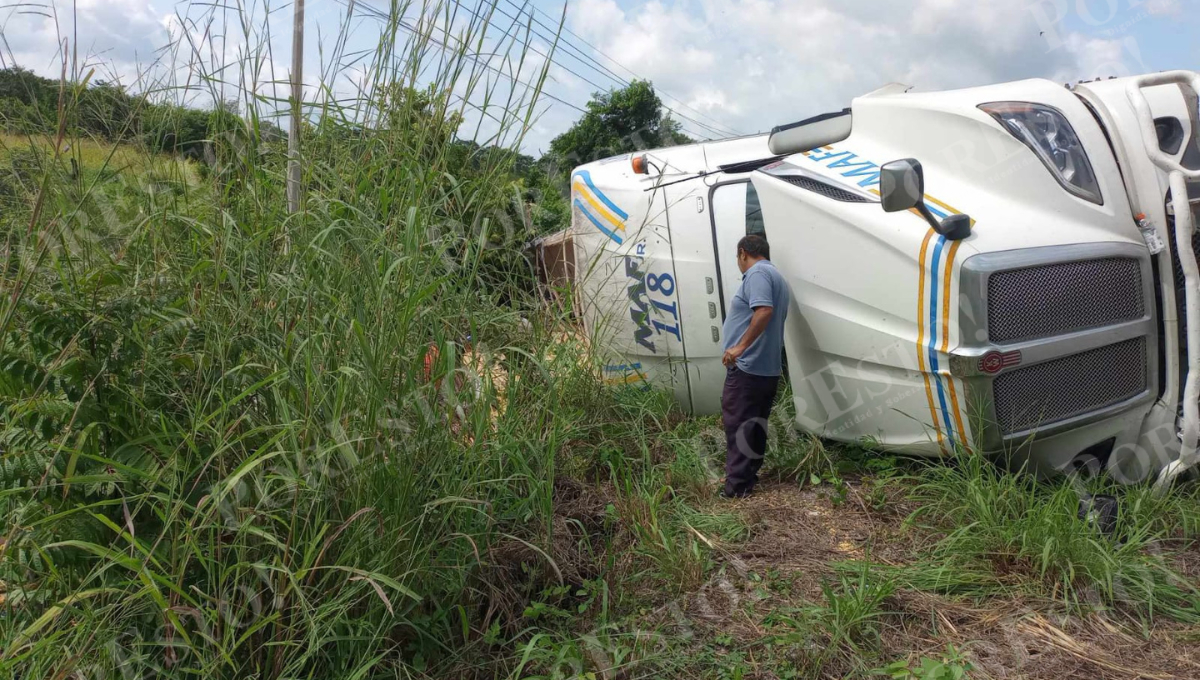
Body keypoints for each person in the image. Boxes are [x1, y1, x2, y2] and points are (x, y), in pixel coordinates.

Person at [720, 234, 790, 498]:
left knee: (738, 424)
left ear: (742, 253)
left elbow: (764, 311)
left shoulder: (758, 273)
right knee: (755, 425)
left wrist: (739, 347)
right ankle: (748, 479)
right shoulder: (777, 277)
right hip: (767, 368)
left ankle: (736, 488)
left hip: (749, 368)